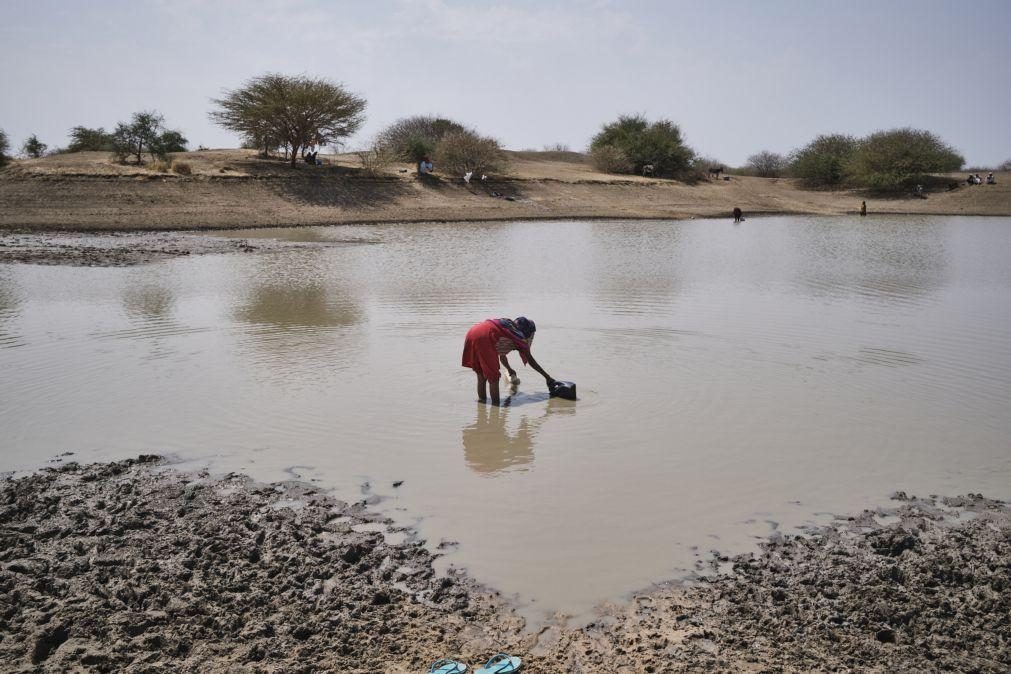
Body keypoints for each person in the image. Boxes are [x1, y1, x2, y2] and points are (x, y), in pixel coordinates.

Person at [462, 317, 555, 405]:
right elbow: (531, 360)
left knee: (481, 375)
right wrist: (548, 377)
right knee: (494, 378)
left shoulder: (508, 328)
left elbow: (501, 355)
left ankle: (482, 404)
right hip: (485, 337)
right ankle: (495, 408)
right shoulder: (519, 337)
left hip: (472, 332)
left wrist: (509, 369)